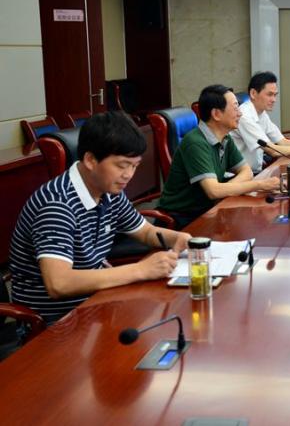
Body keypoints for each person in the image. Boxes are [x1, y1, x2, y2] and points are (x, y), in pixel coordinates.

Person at [9, 112, 193, 324]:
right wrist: (141, 270)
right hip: (55, 322)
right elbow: (59, 283)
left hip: (96, 302)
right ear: (90, 160)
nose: (128, 174)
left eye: (134, 166)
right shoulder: (57, 204)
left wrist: (177, 238)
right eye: (122, 165)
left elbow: (145, 232)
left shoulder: (108, 190)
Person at [158, 84, 280, 228]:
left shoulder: (225, 137)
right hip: (182, 220)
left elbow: (246, 171)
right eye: (235, 108)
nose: (240, 114)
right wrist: (260, 184)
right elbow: (213, 191)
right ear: (216, 114)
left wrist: (224, 190)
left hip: (210, 209)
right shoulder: (195, 142)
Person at [231, 71, 290, 173]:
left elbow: (282, 141)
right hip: (241, 175)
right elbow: (273, 151)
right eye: (269, 95)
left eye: (275, 95)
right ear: (253, 93)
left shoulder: (261, 113)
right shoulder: (244, 116)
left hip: (255, 170)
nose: (274, 100)